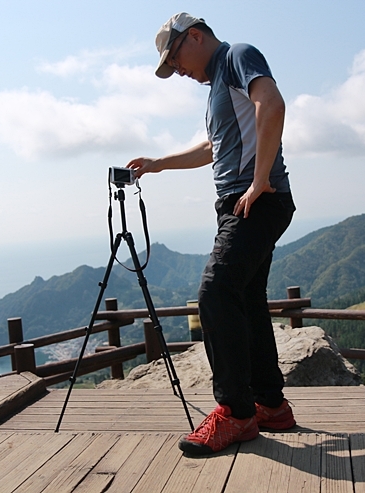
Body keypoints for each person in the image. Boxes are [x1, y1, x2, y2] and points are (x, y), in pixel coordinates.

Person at [127, 12, 296, 456]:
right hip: (245, 201)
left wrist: (260, 180)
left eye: (176, 58)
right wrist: (159, 163)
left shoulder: (237, 56)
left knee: (214, 295)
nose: (178, 70)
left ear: (195, 37)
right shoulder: (220, 85)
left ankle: (236, 412)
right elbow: (213, 147)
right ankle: (270, 405)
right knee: (244, 299)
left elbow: (272, 104)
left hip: (255, 200)